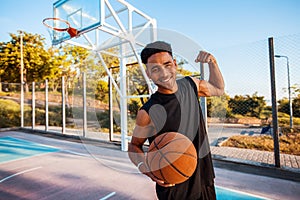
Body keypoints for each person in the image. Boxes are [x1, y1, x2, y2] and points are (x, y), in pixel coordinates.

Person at [128, 41, 224, 200]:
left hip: (204, 178)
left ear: (175, 64)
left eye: (167, 65)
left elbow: (218, 89)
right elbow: (134, 146)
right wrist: (148, 170)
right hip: (174, 188)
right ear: (149, 73)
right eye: (156, 69)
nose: (164, 73)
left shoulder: (191, 84)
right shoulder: (147, 112)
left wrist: (213, 63)